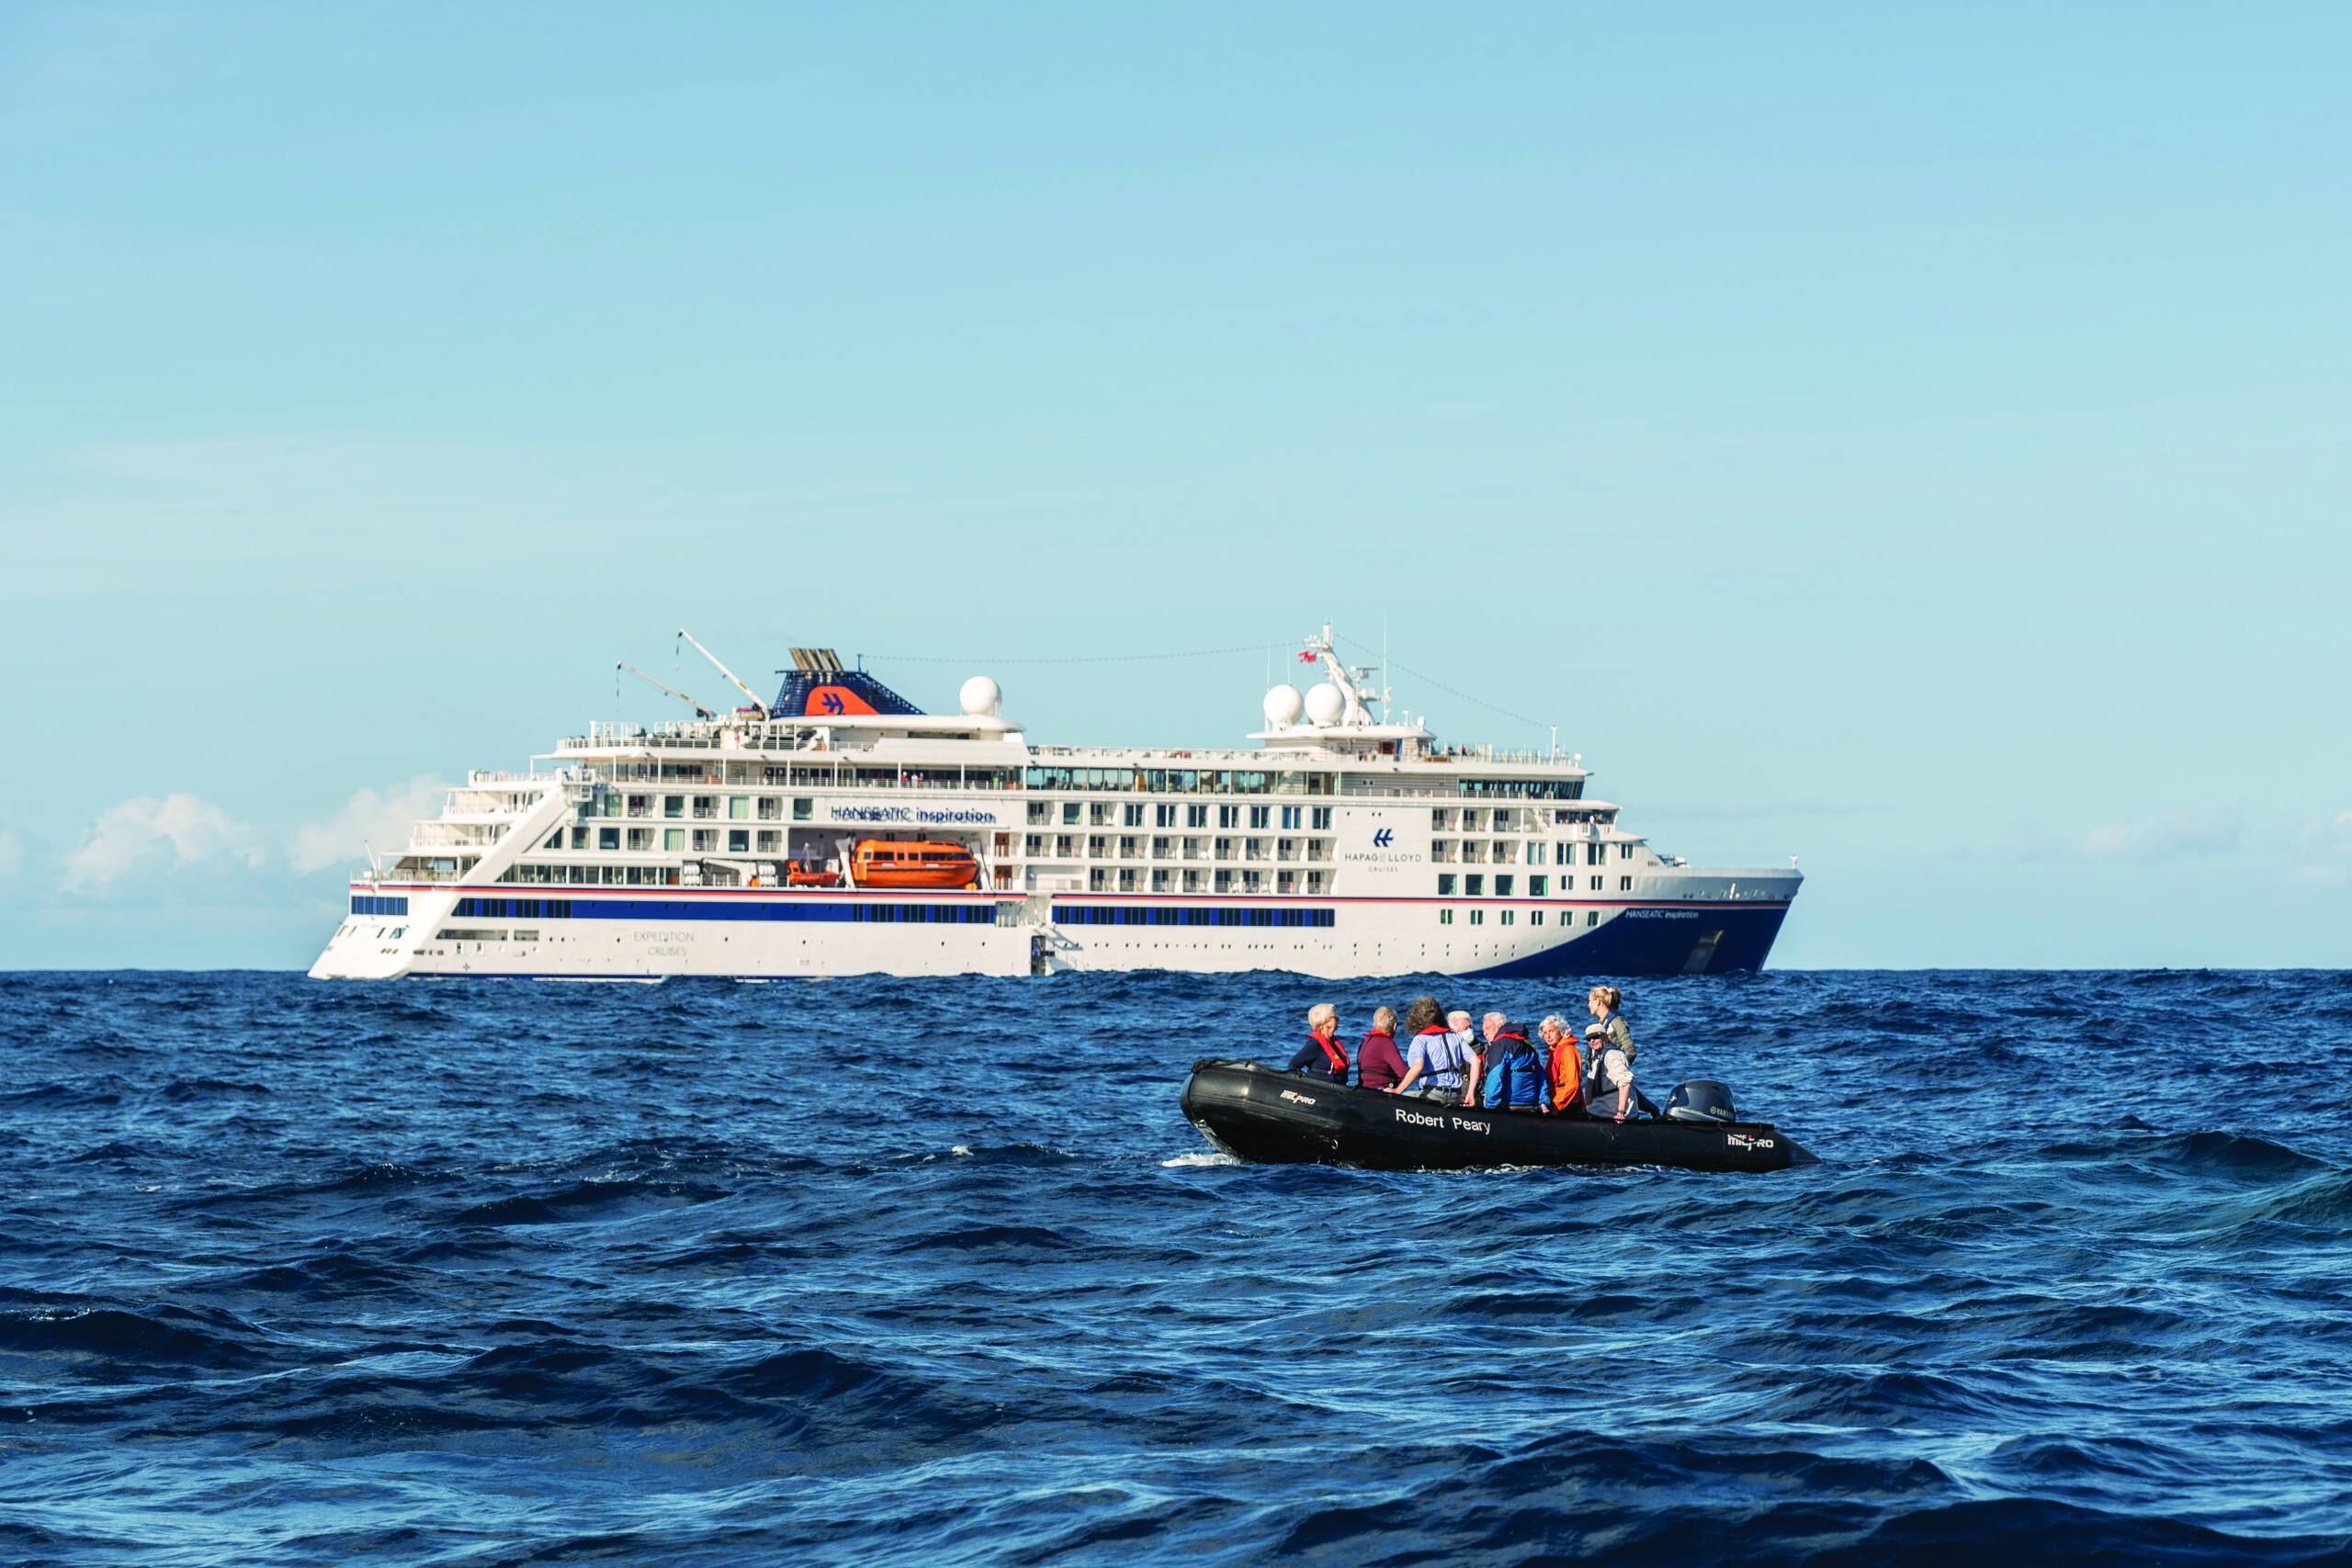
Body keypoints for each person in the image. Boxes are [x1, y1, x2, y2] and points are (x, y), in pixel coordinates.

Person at [1389, 995, 1468, 1104]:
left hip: (1433, 1094)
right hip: (1456, 1096)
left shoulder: (1420, 1039)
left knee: (1402, 1096)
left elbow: (1418, 1067)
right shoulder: (1454, 1036)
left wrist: (1397, 1090)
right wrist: (1470, 1094)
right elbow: (1476, 1061)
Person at [1583, 986, 1639, 1121]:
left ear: (1598, 1001)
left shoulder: (1616, 1021)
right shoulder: (1599, 1024)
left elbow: (1630, 1050)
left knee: (1627, 1089)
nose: (1588, 1004)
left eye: (1589, 1000)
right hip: (1601, 1077)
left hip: (1615, 1074)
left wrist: (1615, 1070)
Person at [1477, 1012, 1549, 1111]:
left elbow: (1495, 1077)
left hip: (1510, 1105)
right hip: (1532, 1105)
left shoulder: (1499, 1045)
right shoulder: (1527, 1044)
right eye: (1483, 1030)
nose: (1484, 1033)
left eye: (1488, 1028)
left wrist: (1490, 1106)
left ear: (1500, 1026)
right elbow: (1541, 1076)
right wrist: (1544, 1101)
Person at [1285, 1002, 1351, 1082]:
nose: (1338, 1019)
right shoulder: (1315, 1044)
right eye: (1335, 1017)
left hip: (1338, 1088)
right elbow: (1293, 1065)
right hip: (1321, 1089)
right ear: (1326, 1021)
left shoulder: (1333, 1043)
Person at [1355, 1006, 1408, 1092]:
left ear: (1374, 1024)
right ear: (1394, 1026)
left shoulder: (1365, 1041)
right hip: (1382, 1092)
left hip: (1364, 1090)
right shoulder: (1386, 1043)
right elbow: (1403, 1073)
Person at [1538, 1014, 1583, 1113]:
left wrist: (1556, 1105)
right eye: (1545, 1033)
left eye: (1551, 1031)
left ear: (1561, 1031)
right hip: (1557, 1101)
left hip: (1567, 1104)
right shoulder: (1554, 1052)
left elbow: (1573, 1084)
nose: (1548, 1036)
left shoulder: (1568, 1050)